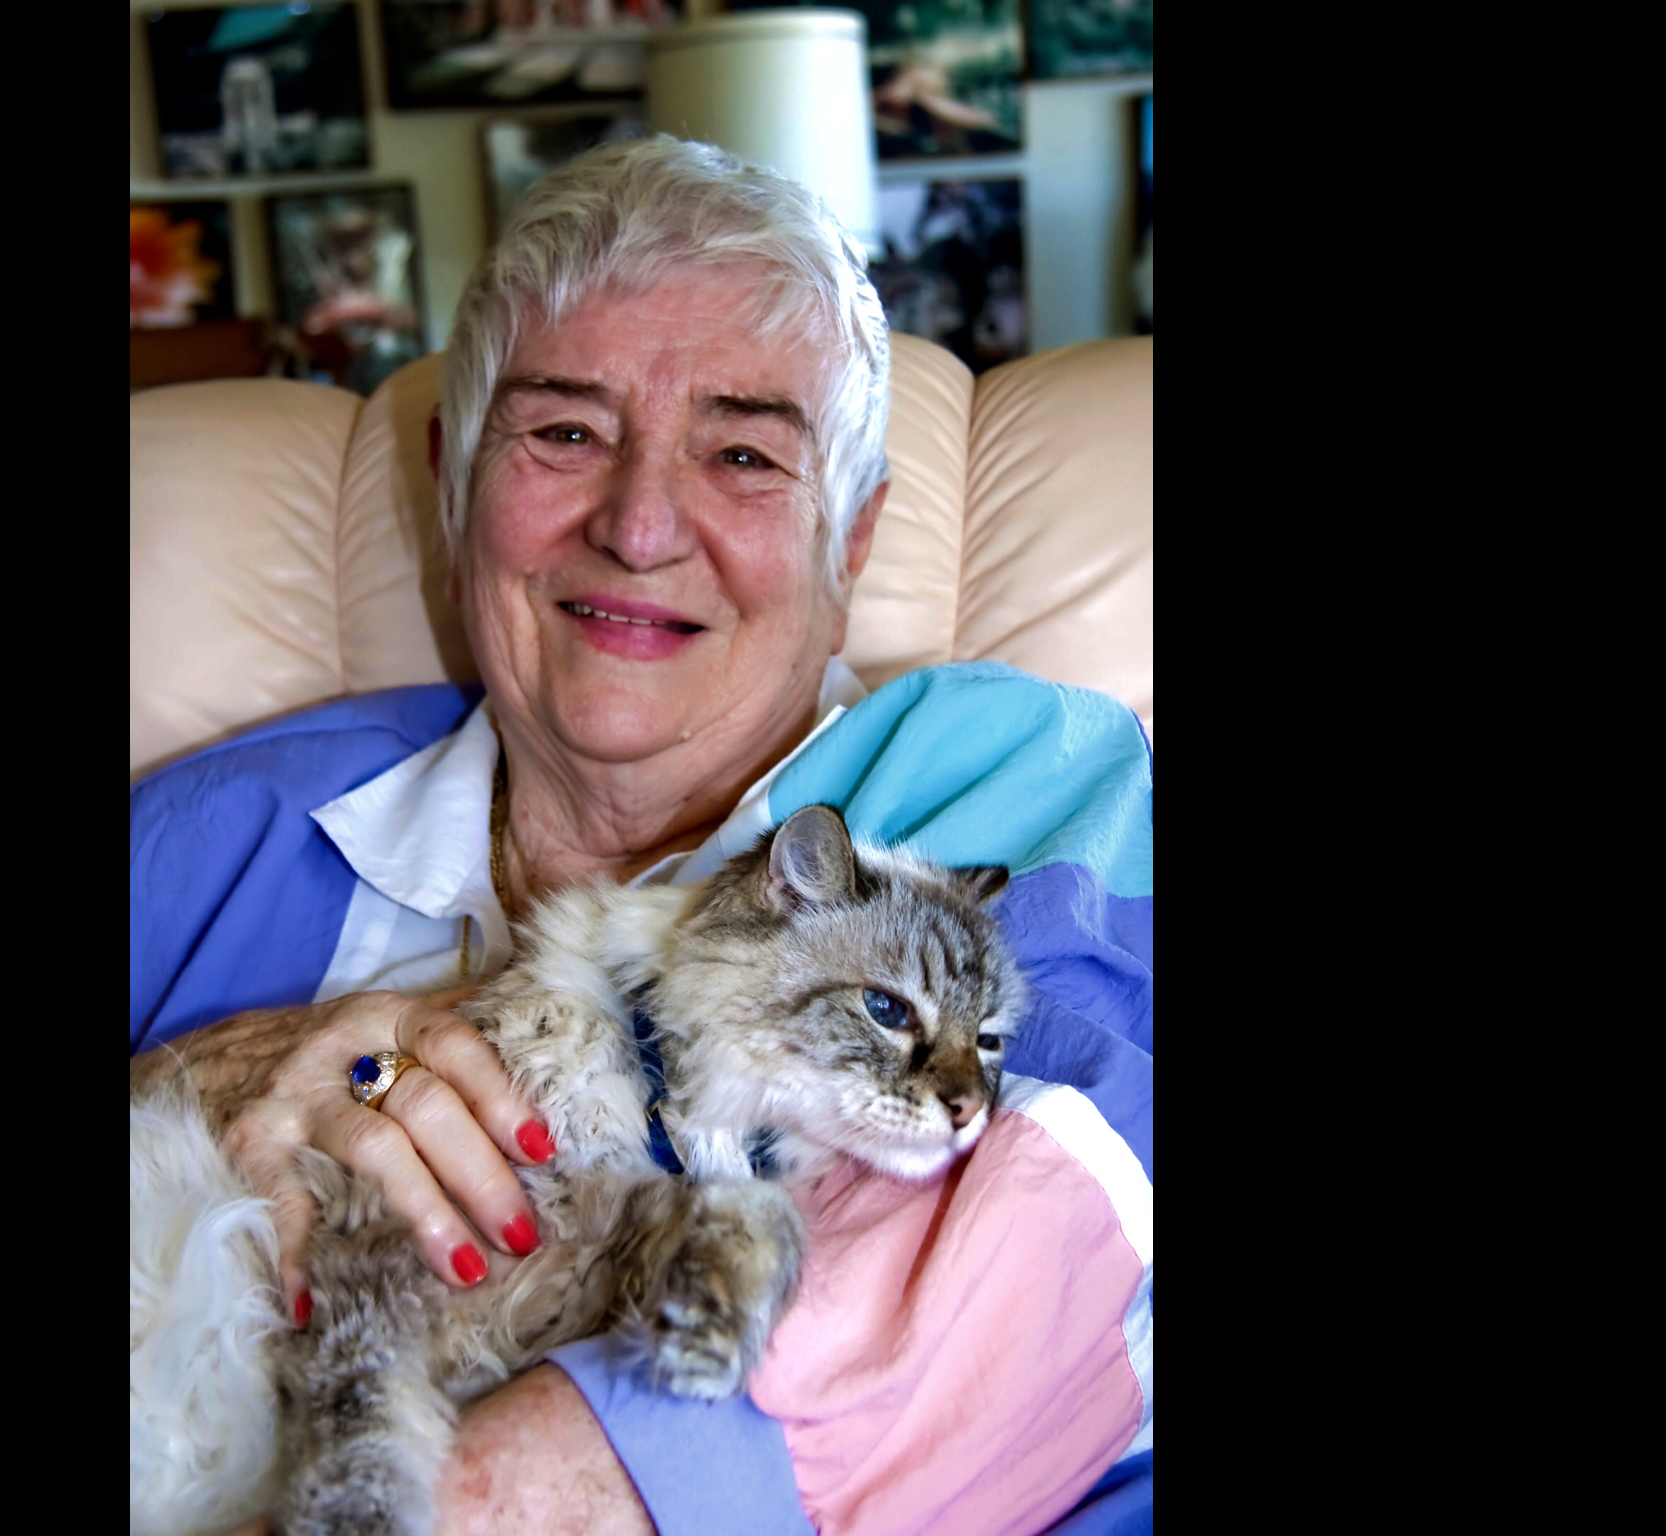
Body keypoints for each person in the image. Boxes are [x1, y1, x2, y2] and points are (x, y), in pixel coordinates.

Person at [131, 136, 1152, 1536]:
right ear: (454, 480)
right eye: (563, 432)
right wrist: (199, 1073)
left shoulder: (1005, 776)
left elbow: (1073, 1238)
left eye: (743, 453)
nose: (642, 524)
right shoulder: (223, 830)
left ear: (849, 542)